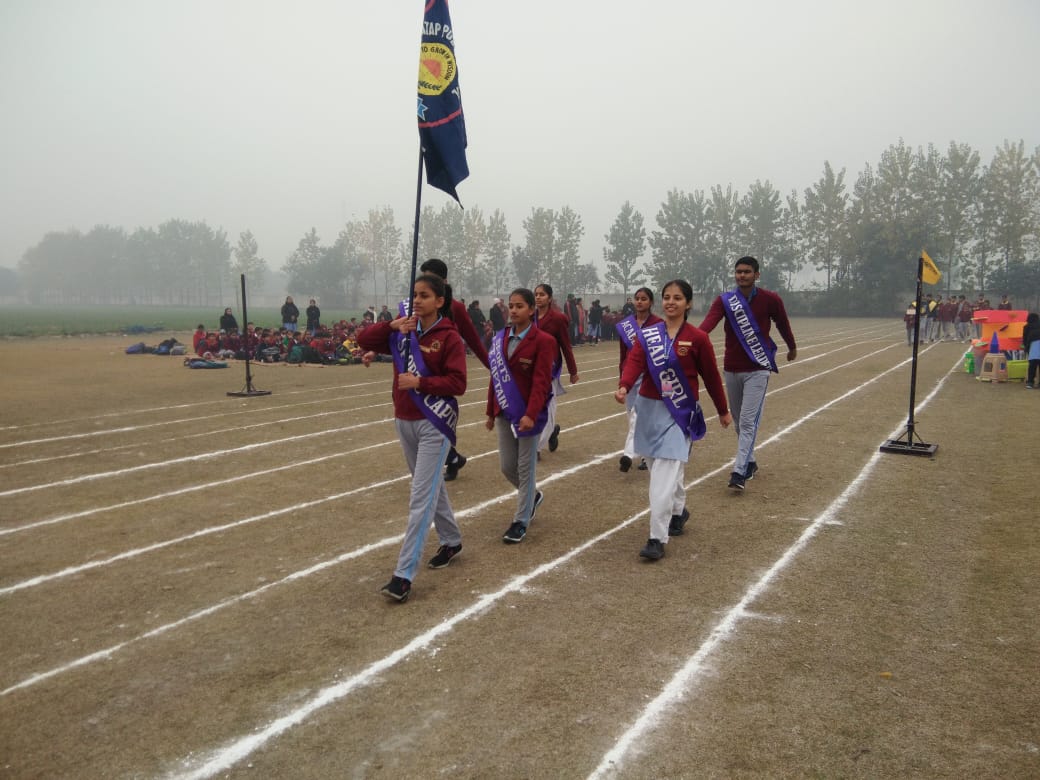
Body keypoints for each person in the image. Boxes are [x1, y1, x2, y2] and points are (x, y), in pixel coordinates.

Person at [357, 273, 468, 603]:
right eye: (415, 295)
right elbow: (363, 339)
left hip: (434, 423)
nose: (417, 300)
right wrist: (391, 326)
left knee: (420, 497)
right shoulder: (403, 330)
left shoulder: (449, 337)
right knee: (432, 487)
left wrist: (421, 383)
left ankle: (403, 575)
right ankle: (451, 540)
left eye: (425, 295)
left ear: (439, 301)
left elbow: (458, 383)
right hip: (403, 420)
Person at [615, 279, 731, 560]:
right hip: (648, 409)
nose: (671, 302)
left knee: (663, 475)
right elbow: (635, 361)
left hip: (679, 413)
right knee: (661, 470)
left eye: (677, 298)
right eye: (667, 297)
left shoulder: (698, 338)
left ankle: (657, 538)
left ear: (688, 303)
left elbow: (711, 377)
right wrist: (624, 385)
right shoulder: (649, 335)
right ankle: (679, 510)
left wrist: (723, 410)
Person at [698, 256, 797, 491]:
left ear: (756, 275)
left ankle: (739, 471)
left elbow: (783, 324)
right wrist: (690, 341)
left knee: (747, 421)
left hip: (758, 369)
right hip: (732, 368)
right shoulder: (725, 301)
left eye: (747, 271)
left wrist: (792, 347)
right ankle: (750, 461)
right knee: (739, 422)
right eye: (738, 272)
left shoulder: (771, 299)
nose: (742, 275)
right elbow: (707, 325)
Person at [486, 288, 557, 544]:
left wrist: (531, 414)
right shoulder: (500, 338)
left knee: (526, 468)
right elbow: (495, 378)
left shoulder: (544, 341)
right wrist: (490, 412)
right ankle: (533, 496)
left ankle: (520, 521)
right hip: (504, 411)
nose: (514, 310)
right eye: (511, 306)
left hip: (529, 415)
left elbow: (541, 383)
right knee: (508, 466)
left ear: (531, 310)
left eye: (520, 306)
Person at [419, 258, 491, 482]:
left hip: (444, 371)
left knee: (439, 416)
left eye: (431, 278)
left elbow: (473, 338)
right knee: (422, 419)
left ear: (443, 280)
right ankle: (452, 457)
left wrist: (492, 366)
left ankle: (450, 458)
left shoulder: (456, 308)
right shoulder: (416, 305)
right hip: (420, 368)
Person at [616, 287, 662, 472]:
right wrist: (622, 379)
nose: (640, 302)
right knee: (631, 414)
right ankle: (645, 450)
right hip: (629, 375)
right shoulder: (626, 325)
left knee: (639, 414)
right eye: (637, 298)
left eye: (644, 299)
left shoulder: (658, 324)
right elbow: (623, 353)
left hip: (649, 374)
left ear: (651, 302)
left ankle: (629, 454)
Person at [534, 283, 579, 455]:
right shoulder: (530, 317)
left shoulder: (558, 319)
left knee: (548, 407)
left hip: (550, 369)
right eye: (536, 294)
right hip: (531, 369)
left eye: (542, 294)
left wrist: (573, 371)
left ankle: (536, 448)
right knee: (534, 407)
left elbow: (566, 346)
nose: (538, 297)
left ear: (550, 298)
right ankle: (551, 431)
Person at [1023, 312, 1040, 389]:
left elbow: (1025, 339)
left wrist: (1026, 348)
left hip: (1033, 347)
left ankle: (1030, 382)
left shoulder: (1027, 326)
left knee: (1032, 365)